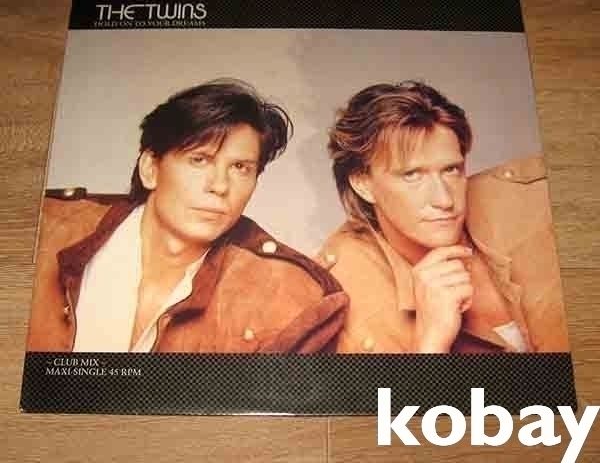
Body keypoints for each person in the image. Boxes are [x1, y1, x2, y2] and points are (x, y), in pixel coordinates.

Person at [27, 79, 348, 353]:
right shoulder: (43, 229)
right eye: (199, 160)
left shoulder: (291, 297)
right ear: (150, 169)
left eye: (240, 168)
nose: (219, 186)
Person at [318, 81, 569, 353]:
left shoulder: (534, 199)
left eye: (451, 170)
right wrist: (431, 342)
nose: (445, 200)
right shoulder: (343, 295)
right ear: (363, 183)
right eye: (412, 175)